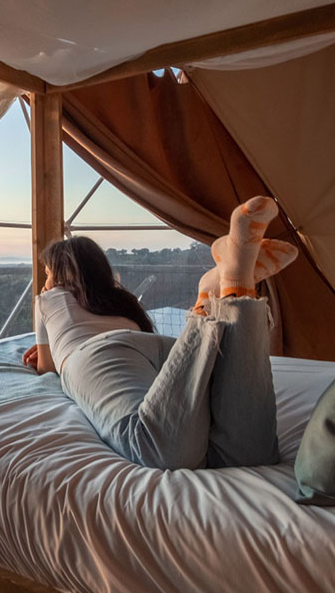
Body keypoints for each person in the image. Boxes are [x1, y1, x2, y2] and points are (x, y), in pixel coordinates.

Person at [23, 196, 298, 470]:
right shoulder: (116, 297)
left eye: (48, 273)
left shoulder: (47, 299)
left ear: (59, 274)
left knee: (154, 446)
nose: (46, 282)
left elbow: (48, 368)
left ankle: (205, 305)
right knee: (248, 452)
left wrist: (43, 359)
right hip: (160, 350)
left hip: (96, 355)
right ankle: (236, 282)